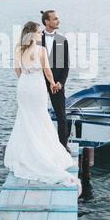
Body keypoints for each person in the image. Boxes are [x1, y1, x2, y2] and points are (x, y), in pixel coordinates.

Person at [4, 21, 81, 194]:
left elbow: (17, 70)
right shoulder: (41, 50)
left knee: (25, 117)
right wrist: (53, 84)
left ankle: (26, 154)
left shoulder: (19, 49)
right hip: (37, 86)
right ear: (32, 33)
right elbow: (47, 71)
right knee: (40, 117)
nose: (41, 34)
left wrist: (25, 80)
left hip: (24, 85)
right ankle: (42, 153)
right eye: (39, 32)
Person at [40, 10, 70, 153]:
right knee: (37, 114)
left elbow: (66, 66)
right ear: (47, 21)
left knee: (62, 117)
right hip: (38, 83)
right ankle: (39, 145)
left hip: (57, 84)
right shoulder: (36, 39)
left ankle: (62, 147)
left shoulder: (62, 40)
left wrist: (60, 83)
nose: (58, 21)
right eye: (55, 19)